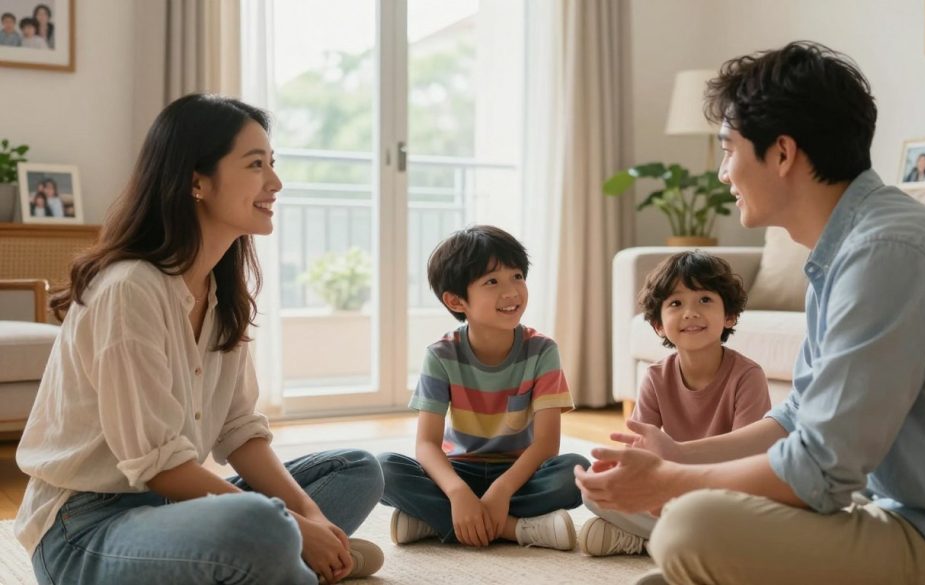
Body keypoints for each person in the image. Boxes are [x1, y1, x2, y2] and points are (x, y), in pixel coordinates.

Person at [575, 41, 925, 585]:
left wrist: (669, 481)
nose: (722, 174)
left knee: (690, 529)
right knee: (663, 573)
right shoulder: (844, 252)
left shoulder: (888, 252)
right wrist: (680, 456)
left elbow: (821, 471)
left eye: (728, 150)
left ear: (782, 153)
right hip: (913, 520)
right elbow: (797, 419)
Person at [15, 94, 386, 585]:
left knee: (358, 469)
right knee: (259, 522)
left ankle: (279, 559)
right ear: (196, 180)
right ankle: (285, 561)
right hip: (85, 531)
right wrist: (291, 526)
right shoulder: (129, 289)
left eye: (272, 164)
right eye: (256, 165)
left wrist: (311, 519)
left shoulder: (221, 289)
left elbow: (239, 430)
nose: (275, 183)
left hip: (176, 511)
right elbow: (160, 466)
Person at [377, 225, 590, 551]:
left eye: (517, 276)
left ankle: (434, 521)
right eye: (492, 281)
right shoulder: (441, 355)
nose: (511, 292)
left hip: (519, 474)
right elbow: (427, 444)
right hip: (459, 470)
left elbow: (547, 444)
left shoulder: (542, 351)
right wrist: (458, 492)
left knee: (576, 471)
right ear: (456, 300)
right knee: (382, 469)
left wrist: (502, 491)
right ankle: (514, 529)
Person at [578, 251, 770, 557]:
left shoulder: (748, 376)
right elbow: (640, 453)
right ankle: (676, 540)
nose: (690, 312)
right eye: (676, 303)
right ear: (657, 324)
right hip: (673, 490)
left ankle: (654, 539)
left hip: (726, 490)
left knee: (744, 515)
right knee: (593, 492)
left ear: (729, 316)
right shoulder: (655, 377)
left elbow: (750, 459)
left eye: (705, 300)